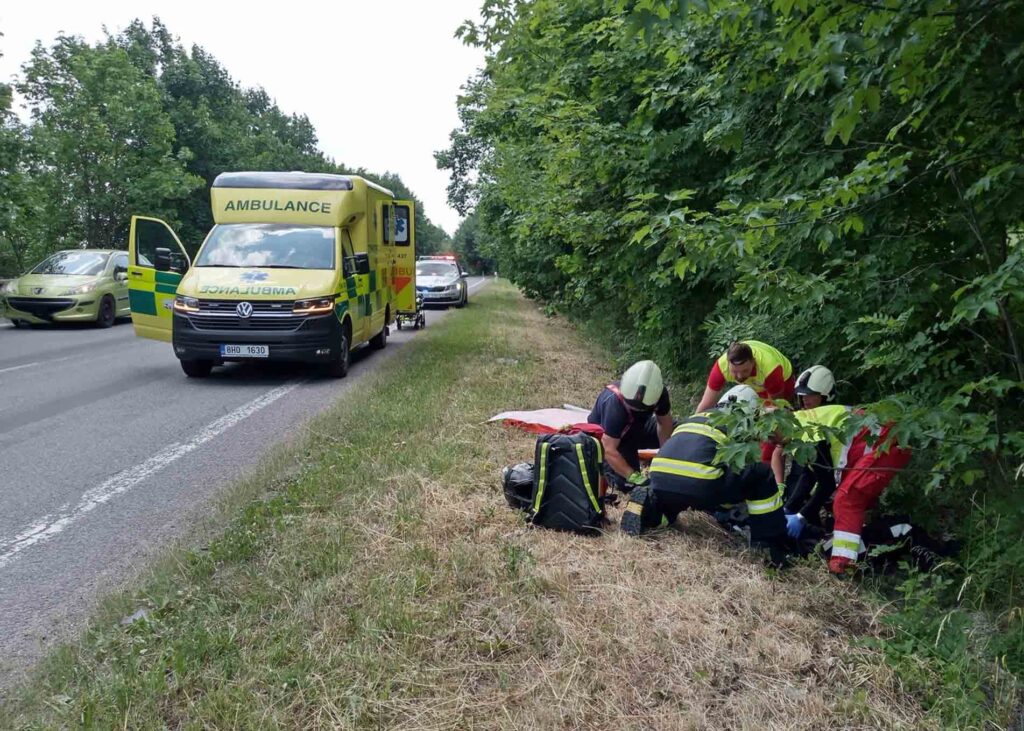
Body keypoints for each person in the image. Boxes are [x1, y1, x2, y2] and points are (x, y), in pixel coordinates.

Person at [621, 385, 787, 560]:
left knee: (674, 501)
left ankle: (651, 510)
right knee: (761, 473)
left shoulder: (696, 417)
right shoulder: (741, 421)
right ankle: (768, 542)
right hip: (701, 482)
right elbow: (744, 464)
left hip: (660, 474)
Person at [776, 404, 912, 574]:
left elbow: (826, 484)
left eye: (772, 436)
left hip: (889, 442)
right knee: (846, 500)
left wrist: (801, 517)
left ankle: (842, 567)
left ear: (779, 425)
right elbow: (809, 474)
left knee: (846, 500)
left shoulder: (808, 436)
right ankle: (856, 550)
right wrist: (789, 508)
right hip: (885, 438)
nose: (773, 442)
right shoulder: (800, 425)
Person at [587, 360, 674, 491]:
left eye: (641, 409)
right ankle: (611, 472)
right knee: (629, 484)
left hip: (638, 429)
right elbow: (608, 449)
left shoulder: (659, 394)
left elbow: (665, 424)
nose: (636, 409)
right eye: (631, 406)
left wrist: (665, 456)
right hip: (612, 440)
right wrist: (633, 476)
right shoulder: (614, 403)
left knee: (681, 431)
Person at [695, 340, 795, 412]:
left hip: (783, 381)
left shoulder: (771, 369)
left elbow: (776, 406)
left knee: (776, 415)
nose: (739, 376)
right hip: (756, 385)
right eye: (734, 371)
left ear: (753, 362)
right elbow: (706, 404)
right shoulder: (721, 367)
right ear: (728, 364)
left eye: (744, 370)